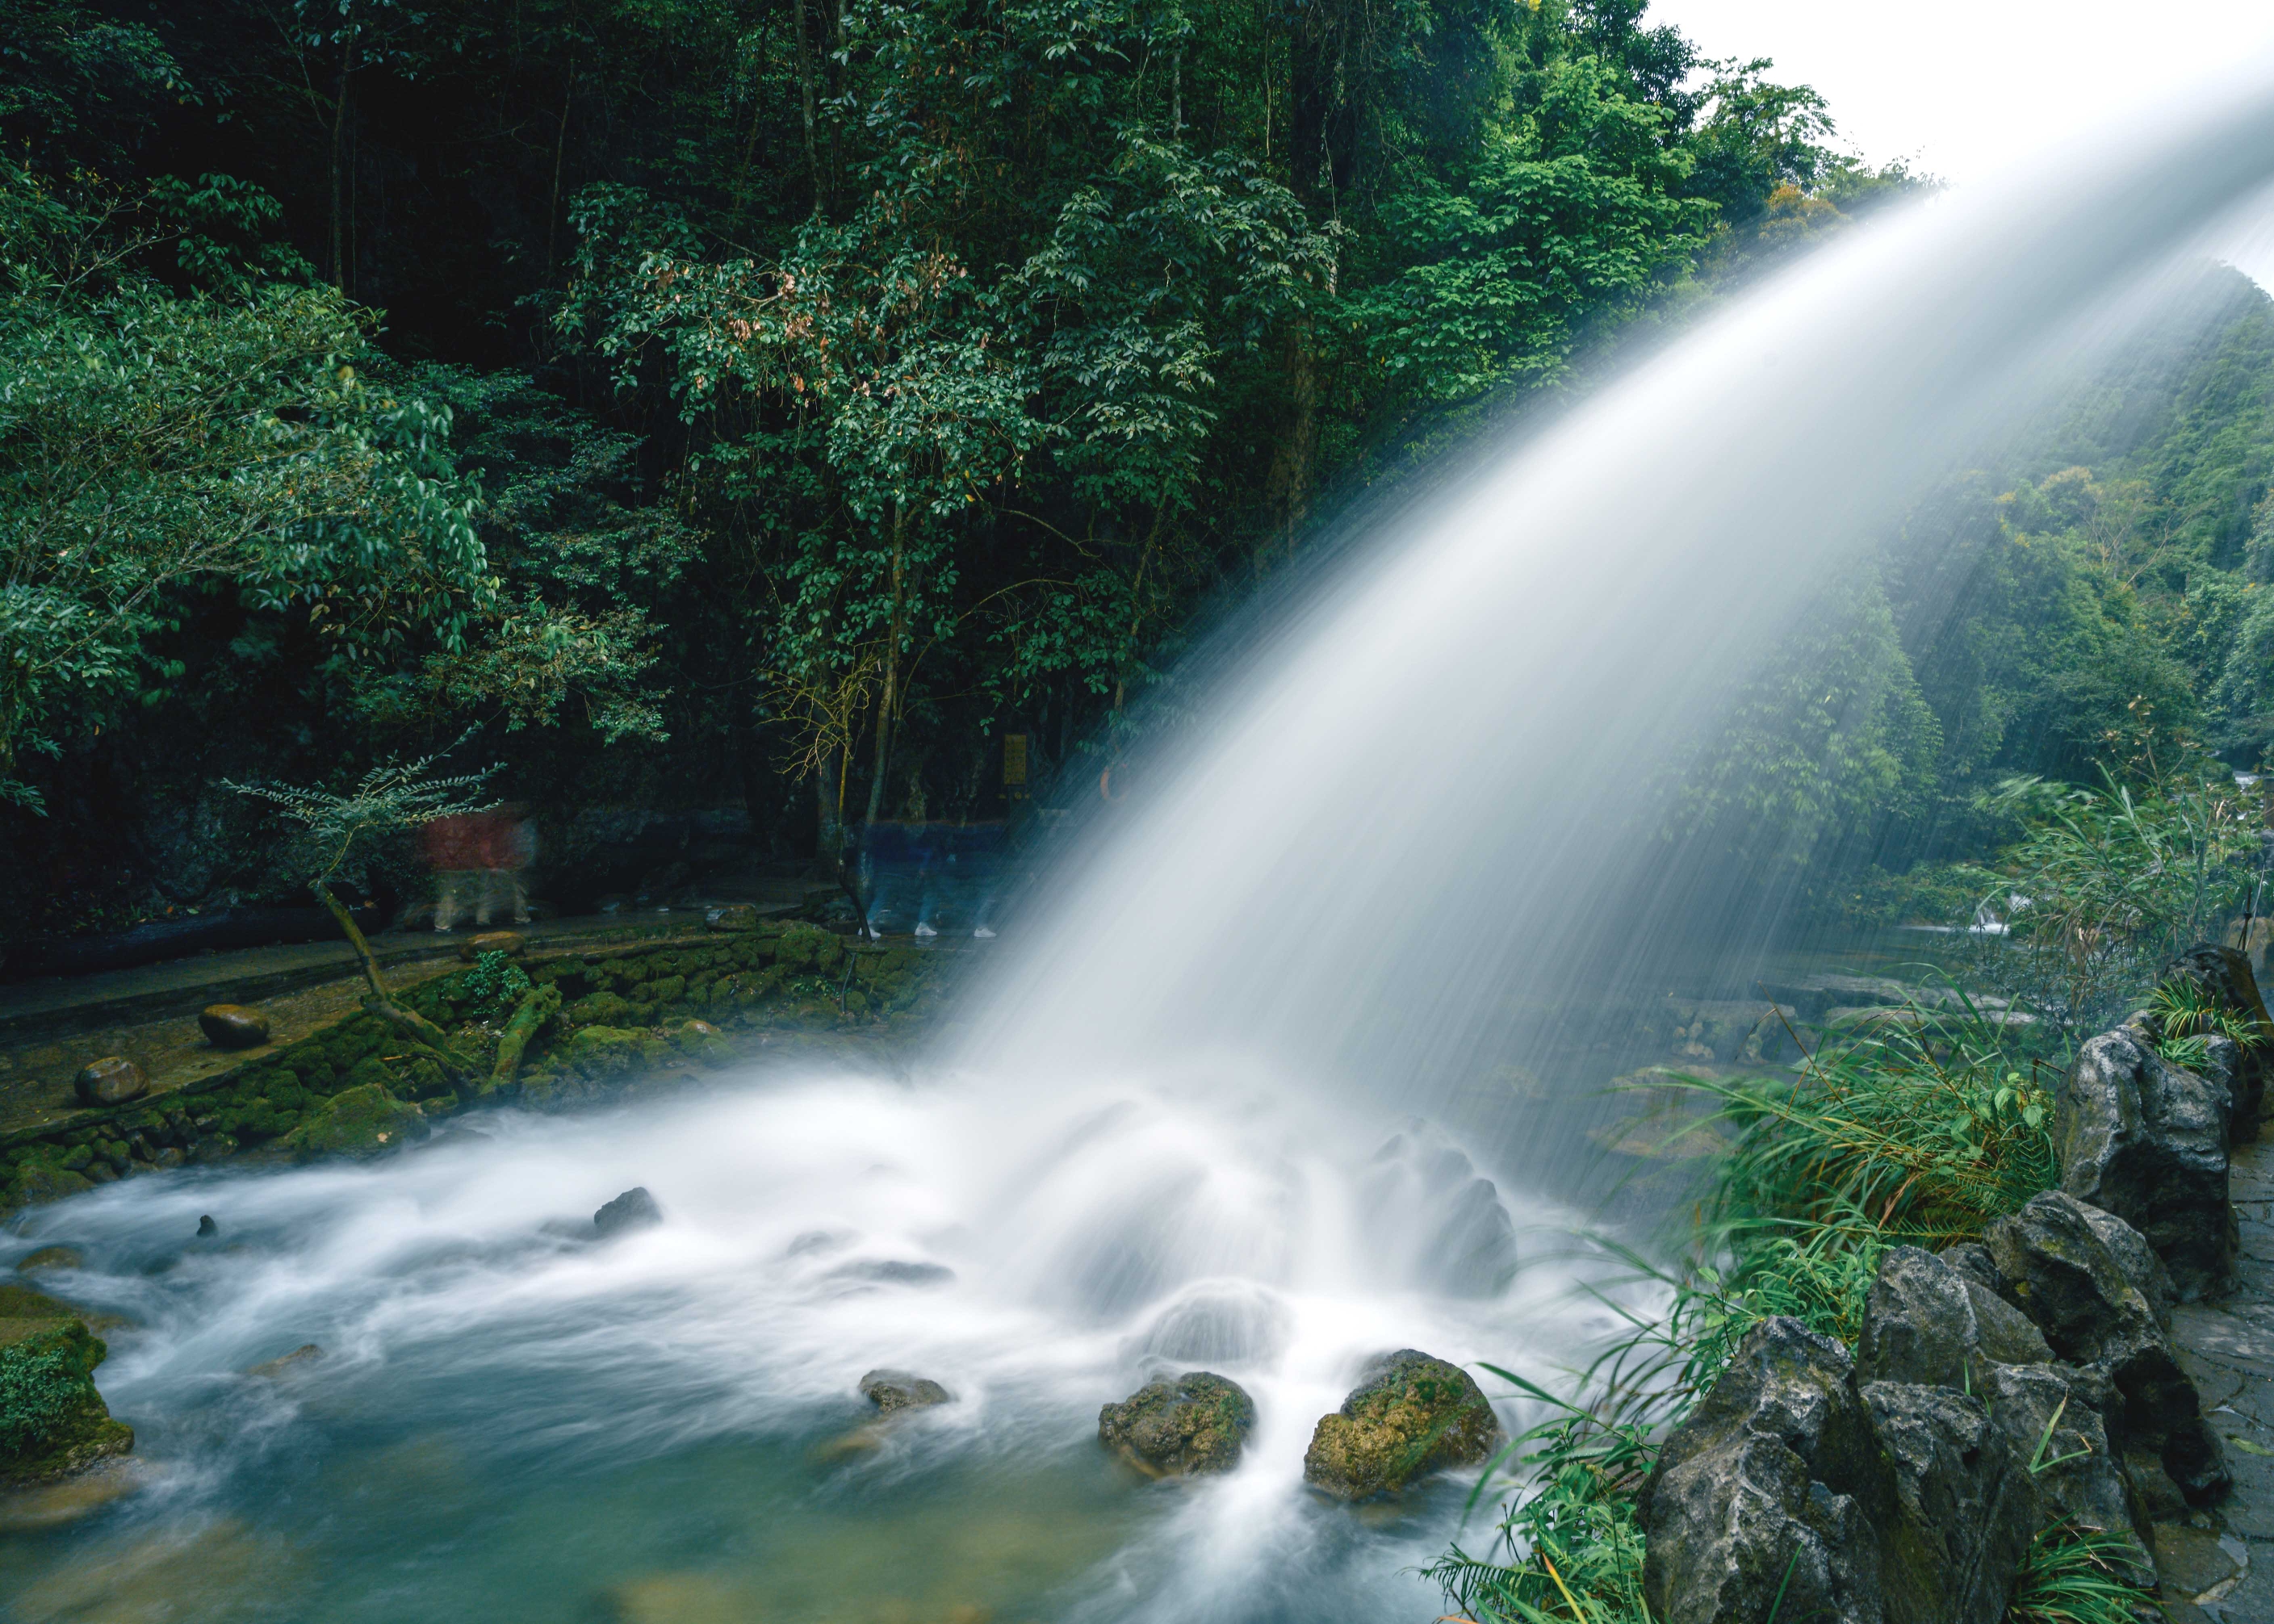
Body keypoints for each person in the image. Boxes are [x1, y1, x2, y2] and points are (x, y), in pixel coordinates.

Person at [425, 808, 534, 931]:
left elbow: (485, 851)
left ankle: (483, 922)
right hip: (462, 869)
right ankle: (446, 926)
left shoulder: (491, 831)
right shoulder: (456, 826)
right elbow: (482, 852)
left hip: (476, 869)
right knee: (453, 895)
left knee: (488, 892)